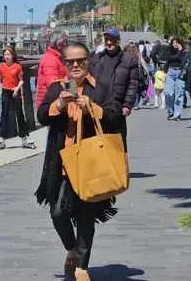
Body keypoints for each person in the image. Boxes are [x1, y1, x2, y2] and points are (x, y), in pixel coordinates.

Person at [36, 42, 119, 281]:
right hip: (62, 163)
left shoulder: (100, 88)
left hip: (91, 164)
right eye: (70, 61)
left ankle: (82, 266)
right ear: (64, 64)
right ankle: (71, 249)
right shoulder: (56, 88)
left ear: (88, 61)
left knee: (85, 216)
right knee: (57, 213)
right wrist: (59, 105)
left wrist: (92, 108)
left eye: (80, 61)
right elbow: (41, 116)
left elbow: (114, 118)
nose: (75, 65)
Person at [89, 28, 139, 147]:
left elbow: (133, 84)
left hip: (116, 107)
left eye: (112, 40)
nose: (109, 42)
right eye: (107, 39)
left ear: (118, 41)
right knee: (97, 145)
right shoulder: (96, 58)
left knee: (117, 146)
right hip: (97, 107)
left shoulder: (129, 60)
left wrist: (127, 104)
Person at [0, 46, 33, 149]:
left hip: (15, 91)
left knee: (19, 114)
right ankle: (1, 137)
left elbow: (21, 80)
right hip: (5, 91)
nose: (7, 57)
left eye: (8, 54)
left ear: (13, 56)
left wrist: (17, 88)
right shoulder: (1, 67)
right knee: (4, 113)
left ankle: (24, 137)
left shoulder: (17, 66)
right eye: (5, 55)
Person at [36, 31, 69, 109]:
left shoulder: (57, 58)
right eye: (66, 42)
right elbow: (53, 85)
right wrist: (71, 83)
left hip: (54, 102)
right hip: (49, 104)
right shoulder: (50, 60)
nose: (68, 45)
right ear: (59, 45)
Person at [162, 38, 187, 121]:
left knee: (179, 94)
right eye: (173, 43)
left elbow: (182, 60)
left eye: (176, 42)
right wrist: (164, 73)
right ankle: (170, 112)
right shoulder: (170, 51)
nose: (175, 44)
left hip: (180, 72)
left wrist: (180, 51)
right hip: (171, 72)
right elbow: (170, 59)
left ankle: (177, 114)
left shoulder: (184, 52)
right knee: (168, 93)